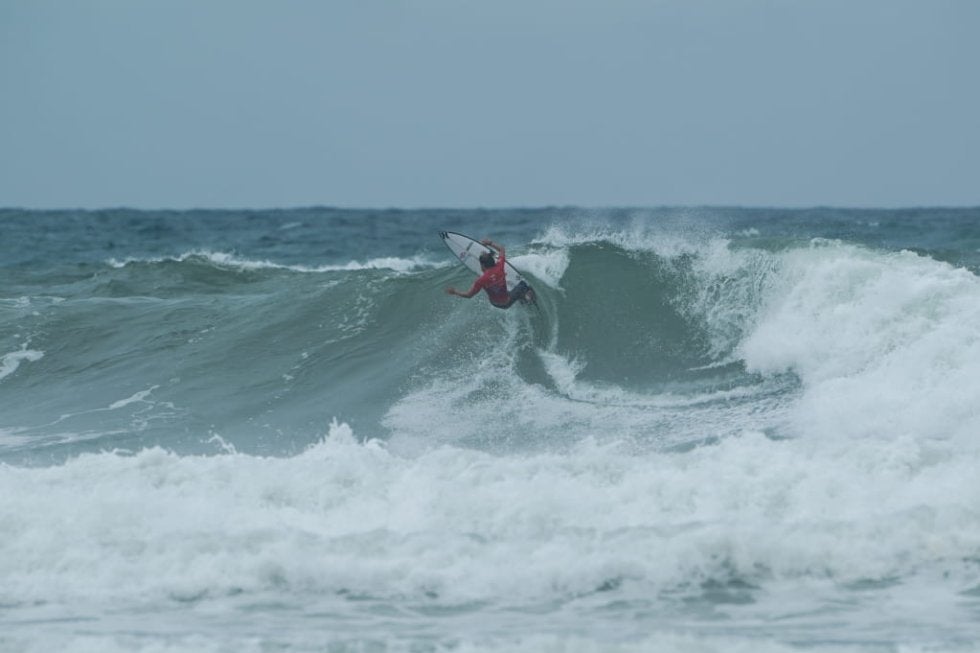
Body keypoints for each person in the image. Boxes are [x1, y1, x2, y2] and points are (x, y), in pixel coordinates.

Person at [445, 238, 535, 309]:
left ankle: (521, 299)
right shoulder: (500, 266)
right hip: (507, 301)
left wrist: (455, 292)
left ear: (483, 265)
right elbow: (502, 249)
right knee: (523, 284)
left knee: (503, 291)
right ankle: (527, 298)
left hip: (495, 303)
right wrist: (490, 243)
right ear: (492, 261)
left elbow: (469, 295)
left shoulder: (480, 280)